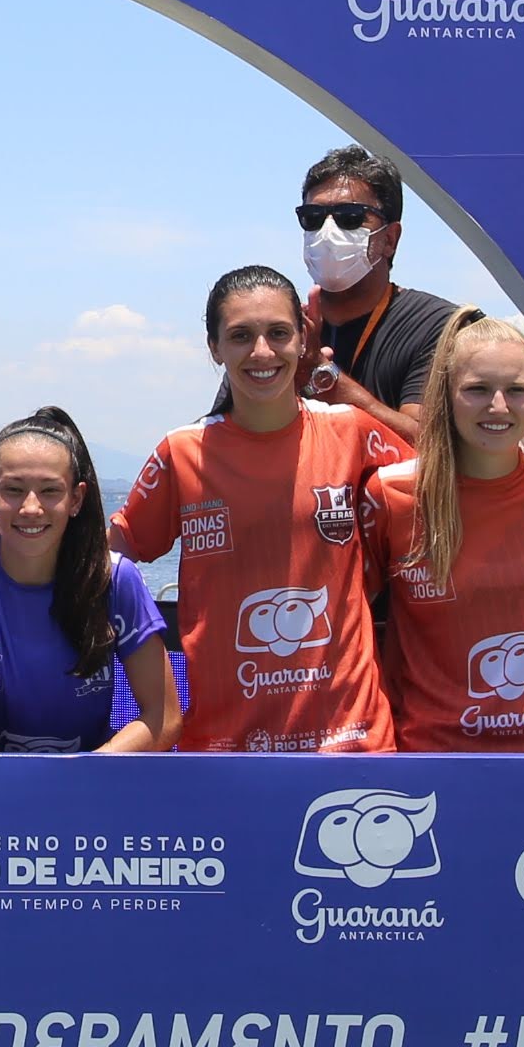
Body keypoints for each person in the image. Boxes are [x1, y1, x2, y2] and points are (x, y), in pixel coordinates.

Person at [108, 268, 403, 752]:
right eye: (241, 336)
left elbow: (461, 484)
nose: (262, 352)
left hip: (351, 743)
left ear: (304, 339)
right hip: (227, 751)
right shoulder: (182, 452)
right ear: (214, 348)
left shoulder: (352, 430)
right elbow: (104, 559)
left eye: (278, 333)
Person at [359, 312, 524, 752]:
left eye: (516, 391)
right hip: (432, 759)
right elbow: (345, 622)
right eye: (477, 390)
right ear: (446, 395)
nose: (499, 407)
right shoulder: (391, 494)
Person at [0, 407, 178, 754]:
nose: (31, 508)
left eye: (49, 491)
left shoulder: (115, 579)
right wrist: (6, 776)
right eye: (13, 490)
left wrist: (89, 770)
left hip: (80, 780)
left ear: (76, 499)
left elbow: (163, 719)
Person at [295, 142, 461, 435]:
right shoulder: (280, 326)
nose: (327, 232)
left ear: (390, 239)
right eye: (313, 217)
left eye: (350, 218)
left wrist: (323, 375)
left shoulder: (439, 326)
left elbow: (425, 443)